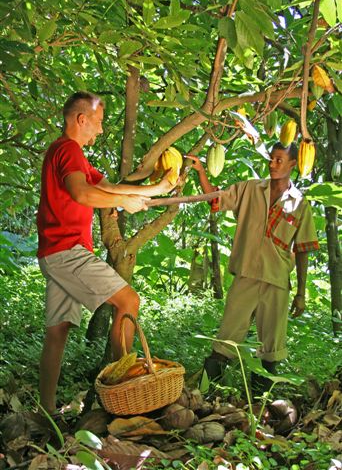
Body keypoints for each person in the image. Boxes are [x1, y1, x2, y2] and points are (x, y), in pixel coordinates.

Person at [37, 91, 177, 414]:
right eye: (97, 123)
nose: (100, 130)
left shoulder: (74, 157)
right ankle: (123, 393)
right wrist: (121, 202)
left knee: (57, 333)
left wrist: (155, 190)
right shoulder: (68, 150)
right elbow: (83, 193)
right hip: (67, 251)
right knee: (129, 302)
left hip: (54, 254)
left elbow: (109, 188)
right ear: (80, 119)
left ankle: (45, 413)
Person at [187, 142, 319, 392]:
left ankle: (260, 405)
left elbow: (302, 251)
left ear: (293, 164)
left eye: (279, 160)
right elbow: (215, 199)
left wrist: (301, 293)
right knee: (225, 339)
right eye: (271, 159)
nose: (272, 164)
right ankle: (203, 395)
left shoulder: (300, 204)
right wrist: (201, 171)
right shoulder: (250, 189)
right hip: (246, 275)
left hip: (277, 282)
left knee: (271, 349)